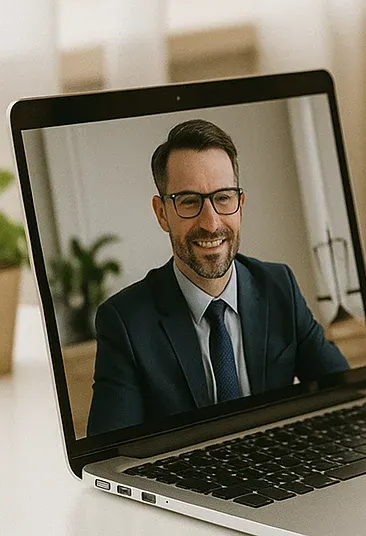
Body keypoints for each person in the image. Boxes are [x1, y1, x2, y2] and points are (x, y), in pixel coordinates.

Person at [87, 119, 348, 436]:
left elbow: (343, 397)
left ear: (240, 204)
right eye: (189, 201)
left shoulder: (279, 285)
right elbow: (110, 456)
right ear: (161, 214)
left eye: (223, 198)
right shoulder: (124, 322)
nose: (211, 224)